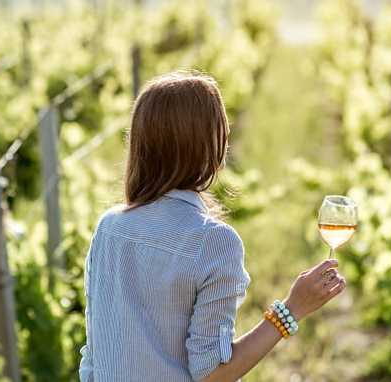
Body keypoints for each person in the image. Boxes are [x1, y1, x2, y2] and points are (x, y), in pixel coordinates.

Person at [79, 71, 347, 381]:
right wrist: (291, 310)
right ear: (210, 146)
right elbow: (212, 375)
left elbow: (93, 356)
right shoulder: (214, 242)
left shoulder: (108, 228)